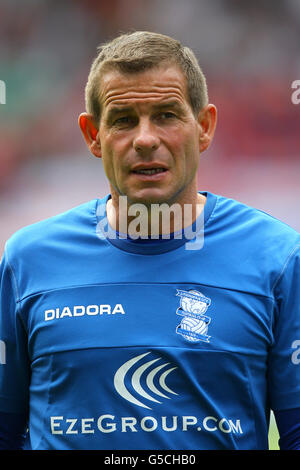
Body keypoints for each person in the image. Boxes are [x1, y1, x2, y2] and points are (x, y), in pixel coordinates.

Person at [0, 31, 300, 451]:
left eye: (166, 115)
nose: (145, 139)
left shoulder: (279, 259)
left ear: (204, 126)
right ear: (92, 135)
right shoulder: (27, 261)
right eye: (123, 120)